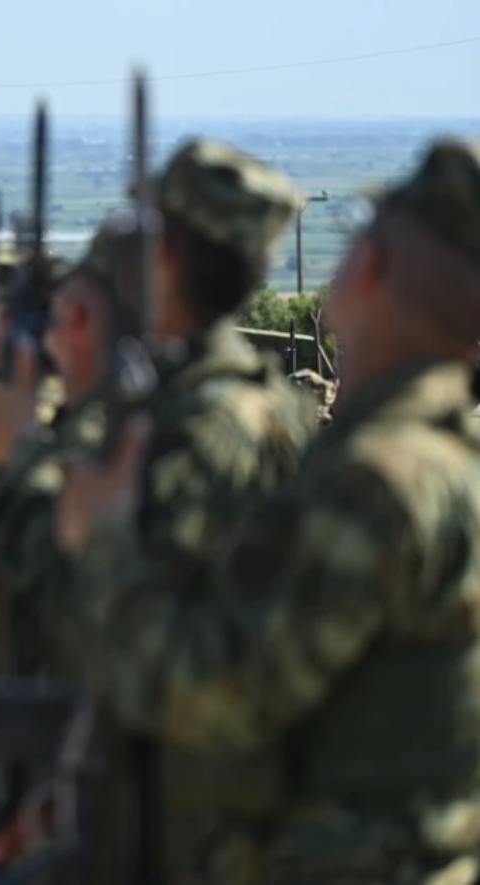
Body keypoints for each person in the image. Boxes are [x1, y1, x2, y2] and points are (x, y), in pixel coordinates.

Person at [51, 136, 480, 883]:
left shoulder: (379, 481)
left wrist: (105, 535)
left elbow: (217, 696)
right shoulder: (439, 455)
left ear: (370, 270)